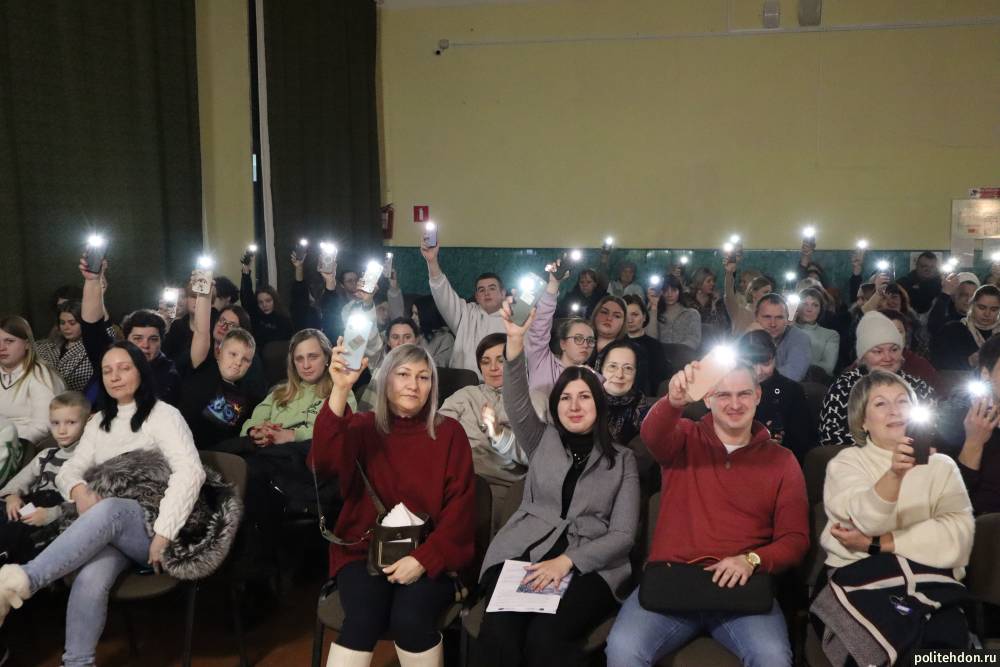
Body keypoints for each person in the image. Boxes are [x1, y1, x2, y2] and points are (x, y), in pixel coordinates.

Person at [0, 341, 206, 667]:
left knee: (109, 508)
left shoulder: (164, 415)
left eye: (124, 368)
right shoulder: (98, 423)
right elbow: (69, 471)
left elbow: (191, 473)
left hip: (153, 529)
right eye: (107, 371)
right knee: (90, 574)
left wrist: (165, 533)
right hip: (109, 530)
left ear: (141, 371)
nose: (115, 377)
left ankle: (24, 580)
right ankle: (77, 663)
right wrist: (80, 492)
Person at [605, 360, 808, 667]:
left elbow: (795, 539)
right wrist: (673, 402)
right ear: (708, 398)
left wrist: (752, 560)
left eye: (743, 394)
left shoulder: (782, 460)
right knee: (623, 649)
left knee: (773, 657)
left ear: (757, 396)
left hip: (741, 588)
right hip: (673, 582)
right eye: (723, 394)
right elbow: (652, 435)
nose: (735, 404)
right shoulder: (685, 436)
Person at [472, 301, 639, 667]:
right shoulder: (541, 439)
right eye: (565, 397)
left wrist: (567, 561)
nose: (574, 406)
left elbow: (623, 535)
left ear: (599, 404)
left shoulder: (623, 459)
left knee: (545, 639)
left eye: (584, 397)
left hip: (589, 563)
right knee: (500, 634)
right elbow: (516, 400)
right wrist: (515, 344)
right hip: (527, 550)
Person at [309, 342, 476, 667]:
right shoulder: (361, 427)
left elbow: (461, 513)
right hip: (364, 552)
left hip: (430, 553)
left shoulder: (450, 434)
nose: (413, 385)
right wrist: (340, 389)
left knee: (411, 619)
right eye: (403, 374)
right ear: (385, 380)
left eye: (423, 377)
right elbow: (322, 463)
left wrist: (424, 559)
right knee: (363, 619)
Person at [812, 370, 973, 664]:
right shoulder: (846, 463)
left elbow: (956, 538)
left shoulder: (941, 466)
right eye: (880, 404)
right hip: (862, 580)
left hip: (932, 581)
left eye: (902, 401)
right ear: (862, 421)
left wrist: (877, 543)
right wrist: (895, 475)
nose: (894, 410)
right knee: (886, 648)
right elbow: (864, 522)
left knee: (951, 653)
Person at [440, 333, 547, 532]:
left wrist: (499, 434)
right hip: (460, 481)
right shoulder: (465, 396)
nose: (493, 368)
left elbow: (539, 457)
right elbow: (437, 436)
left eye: (501, 360)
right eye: (485, 361)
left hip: (507, 488)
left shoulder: (535, 400)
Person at [819, 311, 934, 445]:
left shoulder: (918, 386)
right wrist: (884, 442)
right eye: (878, 351)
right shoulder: (844, 387)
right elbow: (830, 435)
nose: (888, 358)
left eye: (894, 350)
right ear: (863, 356)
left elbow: (936, 429)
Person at [0, 391, 89, 563]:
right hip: (31, 507)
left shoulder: (88, 459)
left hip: (57, 515)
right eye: (55, 423)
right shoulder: (46, 455)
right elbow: (20, 481)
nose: (62, 430)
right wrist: (11, 496)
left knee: (23, 533)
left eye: (71, 422)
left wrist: (52, 514)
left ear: (87, 422)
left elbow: (87, 503)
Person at [78, 257, 180, 405]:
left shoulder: (168, 374)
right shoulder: (111, 355)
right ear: (126, 341)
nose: (145, 345)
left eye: (153, 339)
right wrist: (92, 280)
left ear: (161, 341)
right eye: (137, 338)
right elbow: (91, 327)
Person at [178, 282, 264, 449]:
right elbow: (201, 331)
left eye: (245, 360)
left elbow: (224, 438)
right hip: (181, 445)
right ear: (219, 351)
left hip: (214, 453)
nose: (238, 362)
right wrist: (204, 292)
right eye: (233, 354)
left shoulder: (244, 397)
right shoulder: (202, 367)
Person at [935, 334, 1000, 515]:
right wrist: (974, 442)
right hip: (978, 524)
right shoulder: (955, 418)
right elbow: (948, 499)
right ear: (986, 374)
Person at [421, 239, 505, 375]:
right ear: (476, 296)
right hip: (464, 383)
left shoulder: (515, 318)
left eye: (492, 288)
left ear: (503, 293)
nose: (487, 293)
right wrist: (432, 261)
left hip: (502, 383)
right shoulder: (466, 313)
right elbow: (443, 293)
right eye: (481, 290)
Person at [740, 330, 815, 462]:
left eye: (765, 363)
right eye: (750, 364)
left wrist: (781, 443)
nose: (758, 371)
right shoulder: (728, 389)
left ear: (775, 358)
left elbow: (803, 442)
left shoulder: (792, 391)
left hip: (779, 462)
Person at [525, 261, 598, 392]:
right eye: (578, 338)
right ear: (563, 343)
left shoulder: (594, 379)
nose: (586, 345)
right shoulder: (542, 361)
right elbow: (540, 325)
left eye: (590, 340)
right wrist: (554, 283)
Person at [0, 316, 66, 449]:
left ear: (27, 344)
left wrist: (8, 441)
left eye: (9, 341)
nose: (1, 347)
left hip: (23, 447)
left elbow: (43, 427)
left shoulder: (41, 376)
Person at [931, 284, 1000, 371]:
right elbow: (940, 364)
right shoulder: (953, 330)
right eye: (982, 307)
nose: (987, 314)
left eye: (993, 309)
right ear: (972, 305)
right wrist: (969, 361)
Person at [596, 340, 649, 445]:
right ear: (601, 368)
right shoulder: (586, 397)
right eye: (612, 366)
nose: (619, 375)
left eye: (628, 368)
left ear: (636, 373)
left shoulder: (639, 402)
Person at [34, 301, 93, 393]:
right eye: (62, 323)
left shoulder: (91, 348)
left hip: (76, 398)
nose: (66, 327)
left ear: (84, 324)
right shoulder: (46, 346)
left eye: (72, 323)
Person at [754, 293, 811, 382]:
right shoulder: (749, 335)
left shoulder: (800, 338)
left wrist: (754, 377)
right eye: (767, 317)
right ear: (756, 317)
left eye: (779, 317)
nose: (773, 324)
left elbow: (793, 374)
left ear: (787, 319)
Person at [623, 294, 668, 396]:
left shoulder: (655, 346)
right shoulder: (615, 344)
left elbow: (660, 380)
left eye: (635, 315)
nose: (630, 320)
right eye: (625, 315)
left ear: (644, 317)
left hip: (647, 398)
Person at [241, 262, 294, 348]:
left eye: (268, 301)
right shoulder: (255, 316)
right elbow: (247, 295)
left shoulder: (284, 319)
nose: (264, 305)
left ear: (274, 300)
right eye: (260, 302)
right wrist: (246, 272)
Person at [645, 275, 701, 350]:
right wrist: (654, 306)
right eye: (665, 290)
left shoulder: (691, 314)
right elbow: (650, 340)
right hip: (659, 355)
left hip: (683, 354)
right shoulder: (653, 313)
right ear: (660, 292)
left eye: (674, 290)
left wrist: (675, 351)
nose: (669, 294)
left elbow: (693, 341)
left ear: (679, 291)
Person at [794, 287, 840, 377]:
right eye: (804, 304)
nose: (809, 309)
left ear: (820, 310)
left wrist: (794, 360)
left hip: (815, 382)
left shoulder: (831, 335)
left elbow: (828, 368)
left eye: (815, 305)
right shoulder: (785, 329)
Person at [723, 256, 773, 336]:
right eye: (766, 292)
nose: (769, 295)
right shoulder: (739, 312)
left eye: (770, 292)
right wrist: (729, 273)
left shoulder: (770, 316)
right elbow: (729, 295)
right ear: (753, 293)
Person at [928, 272, 979, 337]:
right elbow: (933, 327)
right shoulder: (944, 318)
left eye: (973, 296)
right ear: (953, 296)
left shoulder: (983, 321)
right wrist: (945, 294)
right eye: (963, 295)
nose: (969, 300)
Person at [411, 295, 455, 368]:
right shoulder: (413, 334)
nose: (412, 317)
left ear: (426, 315)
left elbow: (440, 365)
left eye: (416, 314)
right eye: (412, 313)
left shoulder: (446, 338)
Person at [588, 295, 628, 369]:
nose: (609, 318)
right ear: (595, 314)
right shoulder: (581, 342)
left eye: (617, 316)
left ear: (623, 322)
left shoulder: (629, 351)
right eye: (604, 312)